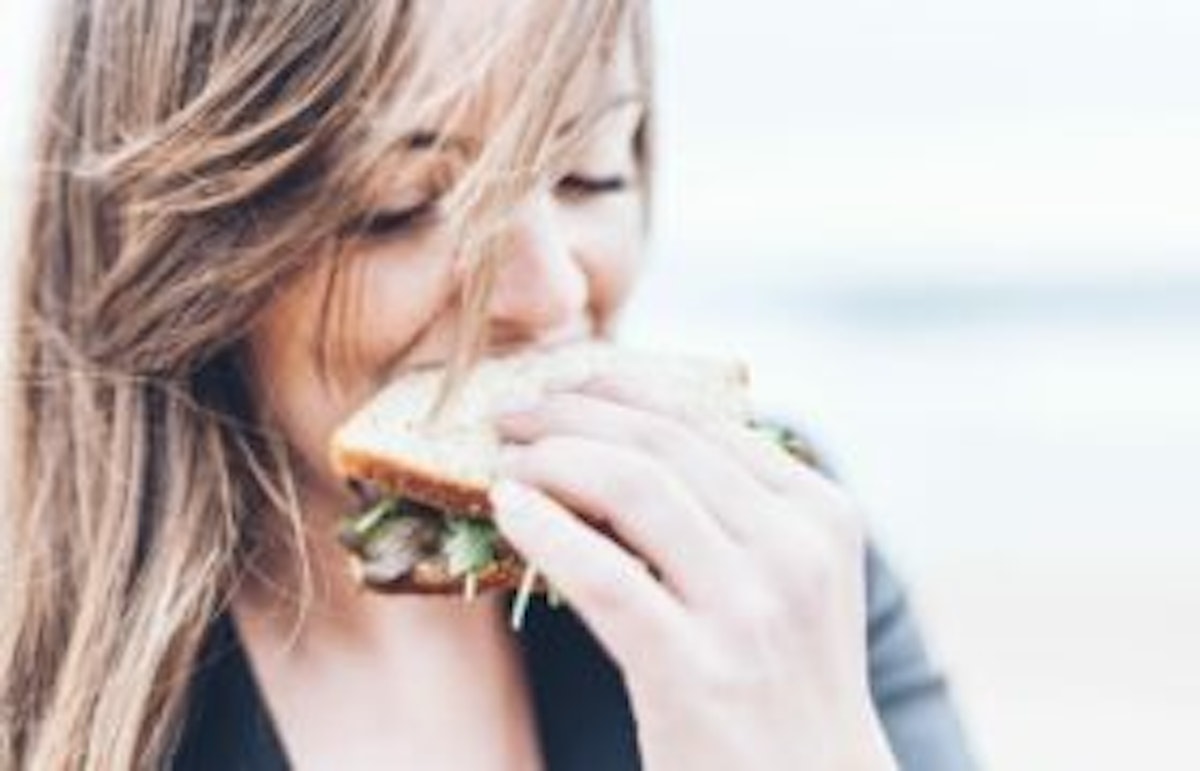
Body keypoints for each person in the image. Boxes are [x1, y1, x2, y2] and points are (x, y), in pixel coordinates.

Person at [0, 1, 977, 769]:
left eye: (592, 174)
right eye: (404, 207)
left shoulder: (775, 560)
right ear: (185, 241)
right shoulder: (34, 684)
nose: (551, 292)